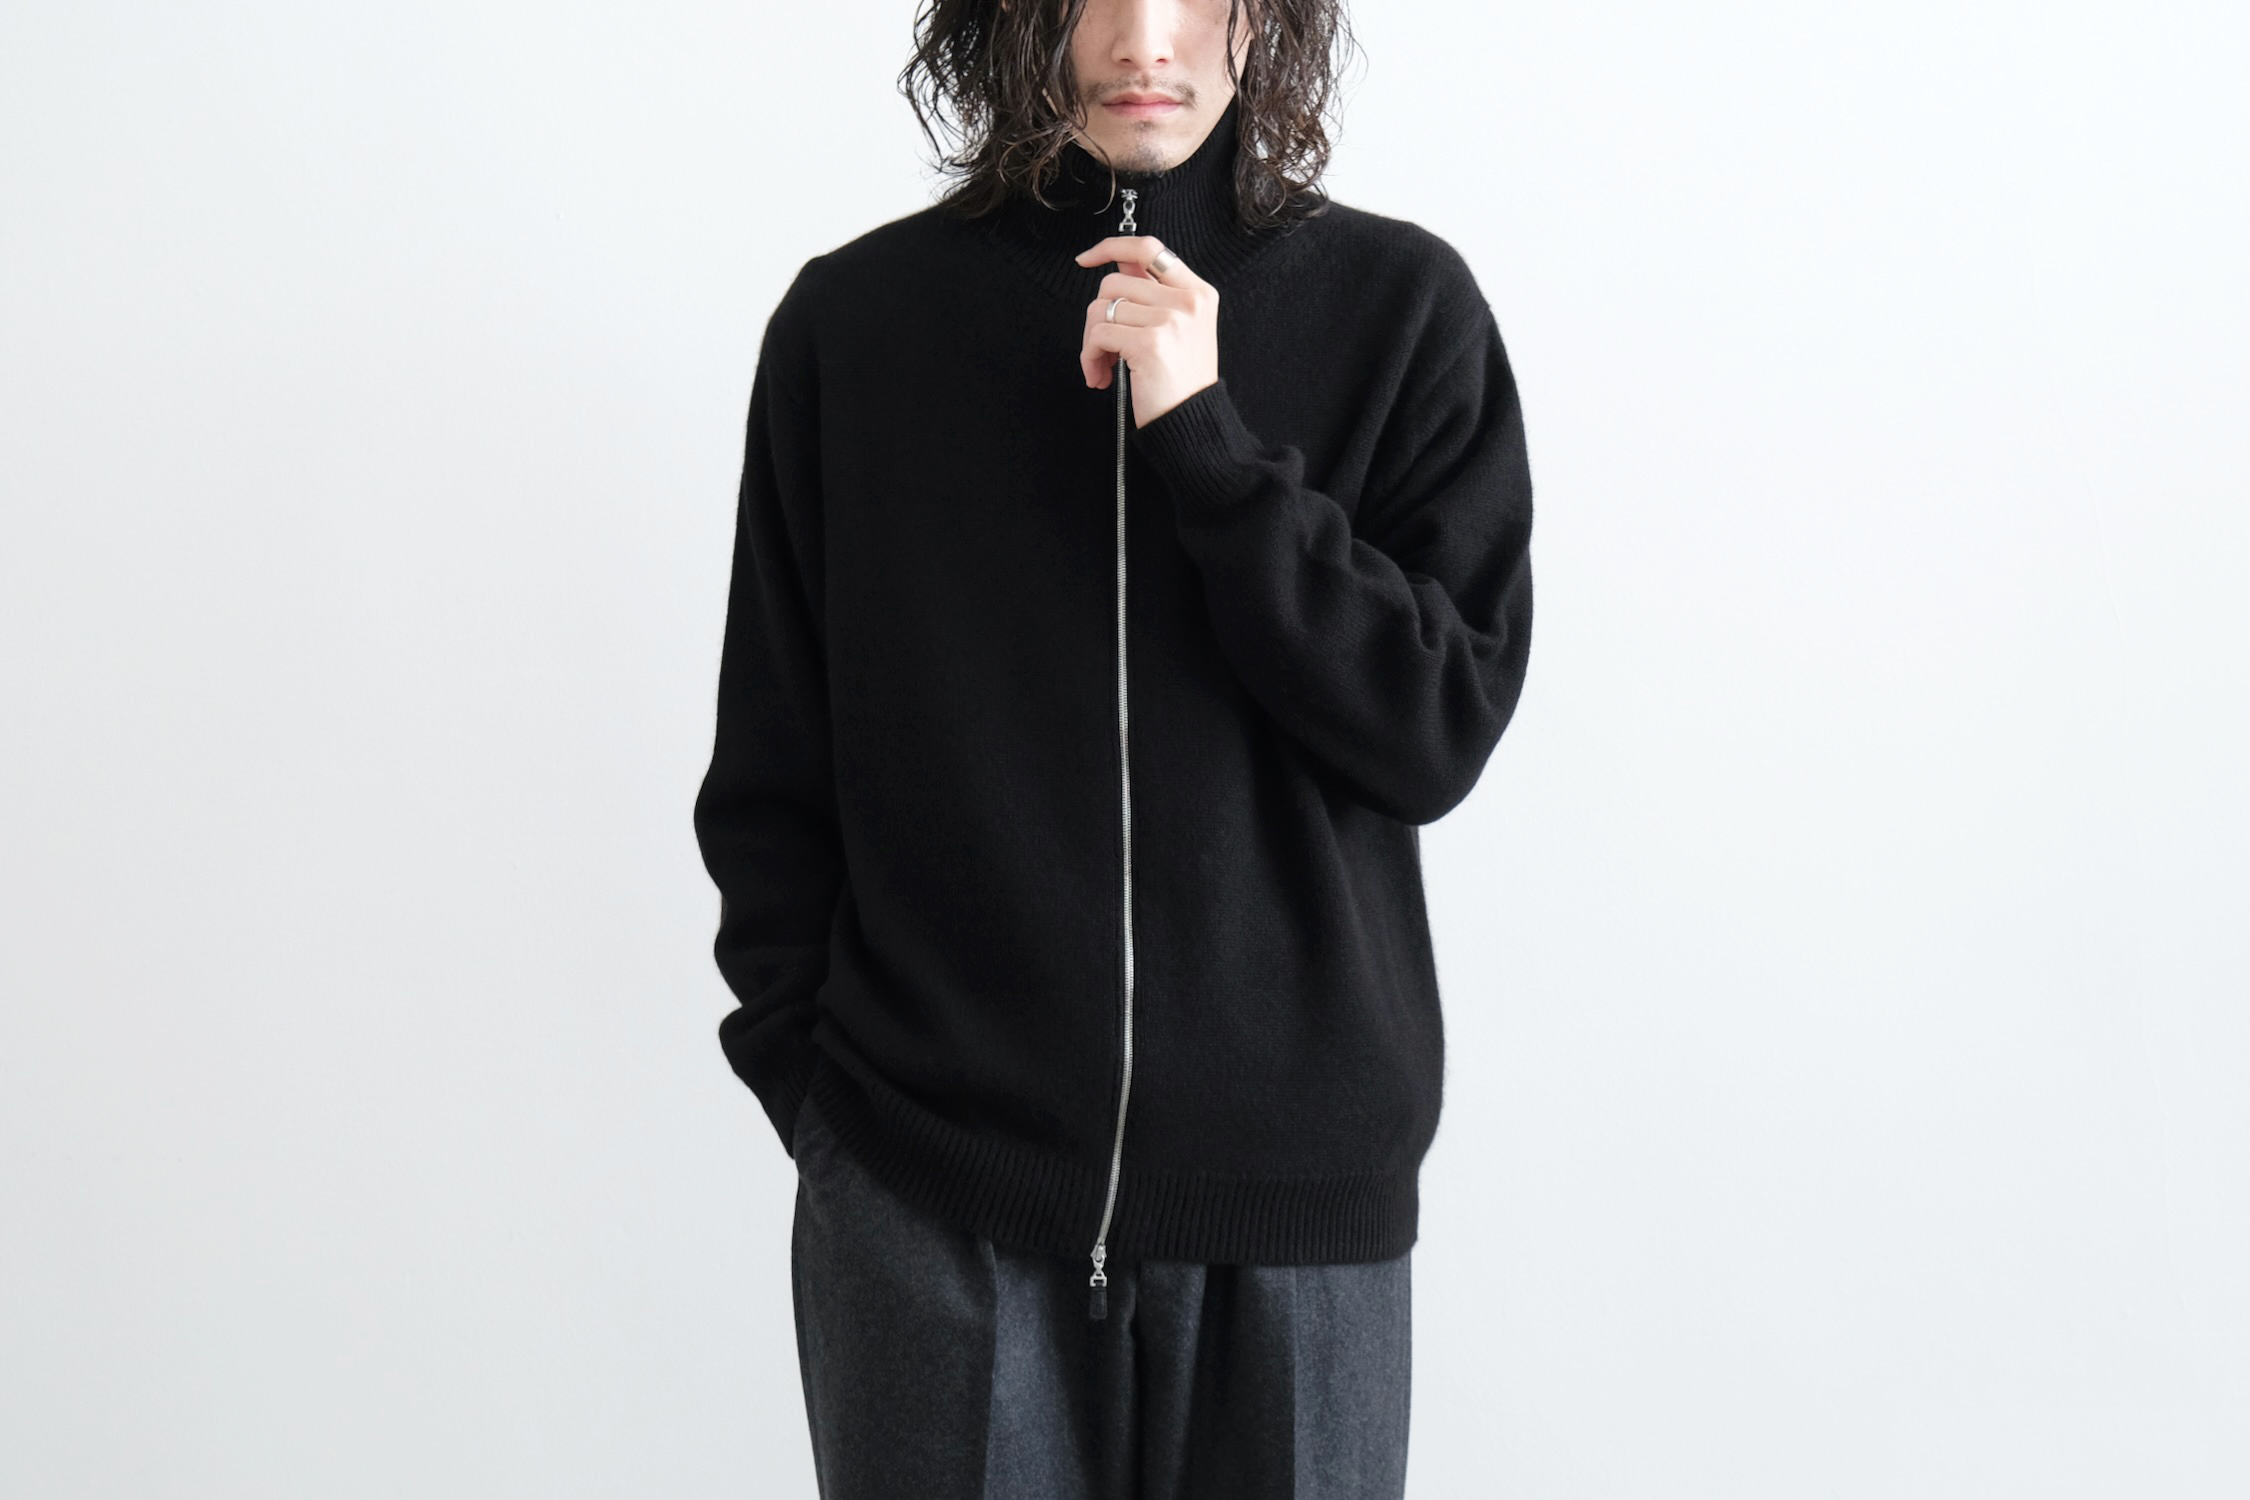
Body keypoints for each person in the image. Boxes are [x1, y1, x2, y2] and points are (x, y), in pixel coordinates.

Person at [692, 0, 1533, 1493]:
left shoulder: (1401, 310)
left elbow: (1434, 729)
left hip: (1297, 1215)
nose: (1146, 38)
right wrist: (833, 1118)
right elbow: (772, 764)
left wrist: (1206, 440)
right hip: (934, 1203)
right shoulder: (856, 327)